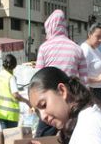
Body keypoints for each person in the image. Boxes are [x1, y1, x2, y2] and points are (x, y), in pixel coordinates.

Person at [35, 9, 88, 137]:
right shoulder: (77, 48)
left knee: (43, 138)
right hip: (71, 102)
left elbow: (38, 78)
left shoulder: (44, 48)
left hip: (50, 101)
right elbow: (84, 81)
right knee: (71, 137)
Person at [80, 23, 101, 110]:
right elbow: (80, 76)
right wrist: (97, 80)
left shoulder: (95, 49)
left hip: (98, 90)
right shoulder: (85, 49)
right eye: (98, 37)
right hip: (89, 92)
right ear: (90, 34)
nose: (100, 40)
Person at [0, 53, 31, 130]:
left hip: (0, 112)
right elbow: (15, 95)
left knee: (5, 136)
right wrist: (27, 101)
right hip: (11, 113)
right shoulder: (10, 77)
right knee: (11, 137)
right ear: (14, 66)